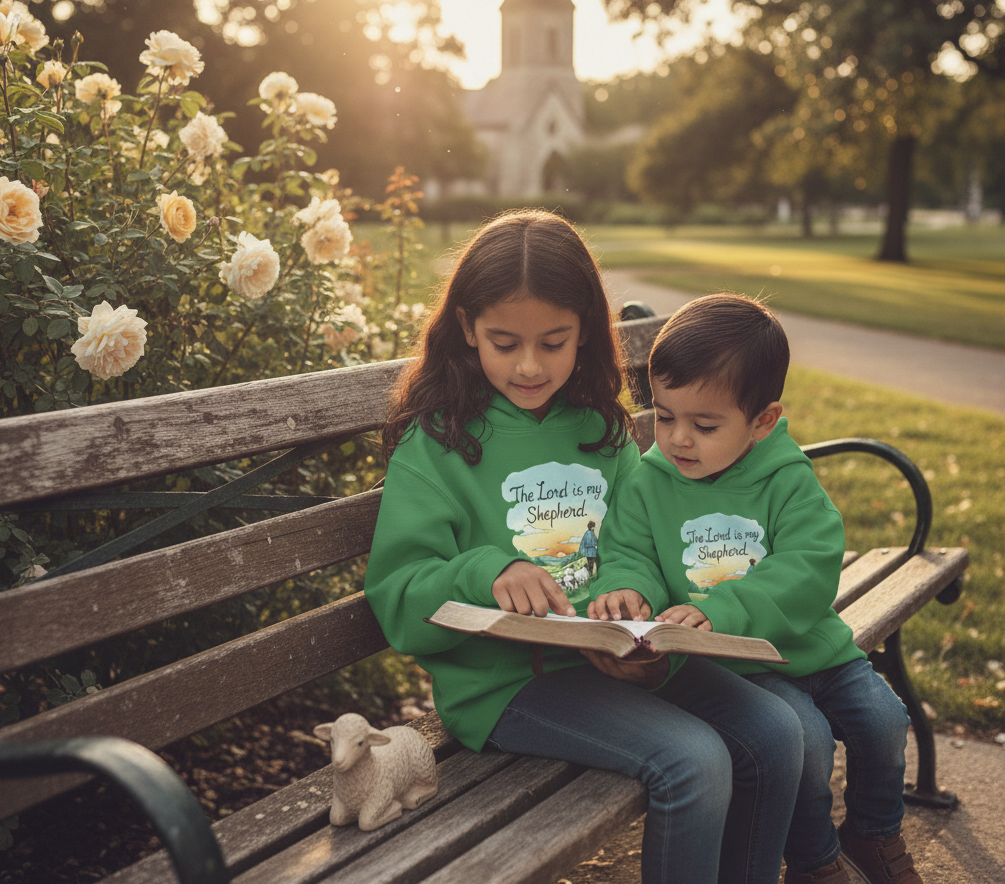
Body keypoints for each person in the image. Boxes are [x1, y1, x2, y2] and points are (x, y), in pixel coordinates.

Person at [364, 213, 803, 884]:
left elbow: (639, 547)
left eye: (554, 342)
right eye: (505, 343)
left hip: (611, 663)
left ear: (586, 332)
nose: (530, 365)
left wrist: (635, 608)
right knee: (694, 761)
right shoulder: (437, 444)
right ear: (467, 328)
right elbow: (398, 596)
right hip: (506, 686)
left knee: (777, 732)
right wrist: (488, 570)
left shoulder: (600, 427)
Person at [589, 293, 920, 884]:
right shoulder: (648, 482)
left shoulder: (785, 479)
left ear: (762, 421)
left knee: (884, 720)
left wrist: (724, 609)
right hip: (743, 670)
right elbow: (629, 552)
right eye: (664, 416)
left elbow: (807, 567)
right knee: (806, 744)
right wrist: (627, 588)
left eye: (704, 425)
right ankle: (816, 861)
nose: (678, 439)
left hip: (816, 651)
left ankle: (873, 832)